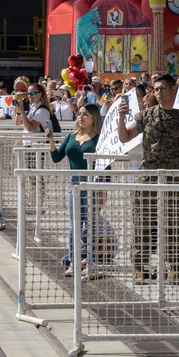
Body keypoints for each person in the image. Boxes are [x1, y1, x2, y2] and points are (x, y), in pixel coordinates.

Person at [117, 75, 179, 284]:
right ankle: (140, 269)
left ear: (173, 90)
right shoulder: (146, 115)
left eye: (163, 89)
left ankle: (173, 269)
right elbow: (126, 137)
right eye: (156, 89)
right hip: (147, 177)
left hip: (173, 178)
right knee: (142, 224)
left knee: (173, 225)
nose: (158, 93)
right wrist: (120, 118)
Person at [44, 103, 102, 279]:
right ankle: (73, 262)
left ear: (93, 118)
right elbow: (56, 158)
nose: (81, 117)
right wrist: (51, 141)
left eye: (85, 114)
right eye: (79, 114)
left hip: (92, 183)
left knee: (88, 225)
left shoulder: (99, 138)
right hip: (74, 183)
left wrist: (103, 189)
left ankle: (88, 261)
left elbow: (105, 164)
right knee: (74, 225)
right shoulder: (71, 136)